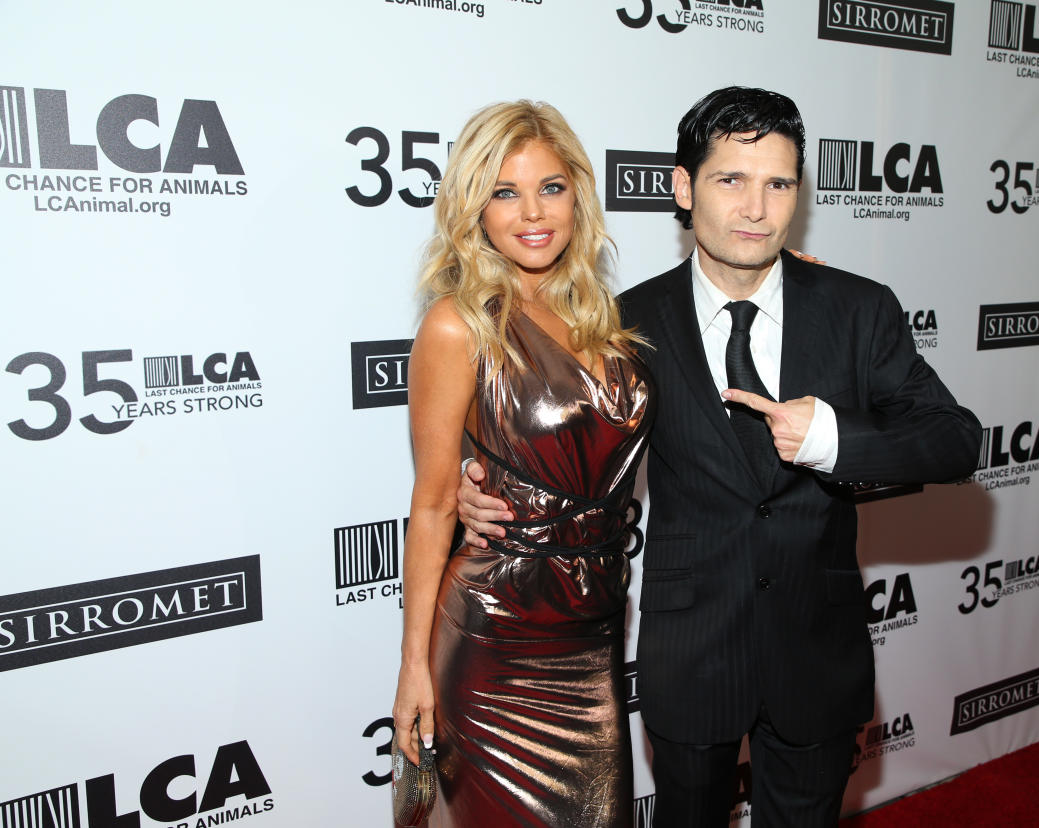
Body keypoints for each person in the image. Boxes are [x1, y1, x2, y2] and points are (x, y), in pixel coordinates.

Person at [457, 87, 981, 827]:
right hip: (691, 650)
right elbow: (551, 438)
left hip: (816, 652)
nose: (756, 209)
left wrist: (831, 437)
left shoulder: (857, 308)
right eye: (730, 180)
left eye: (778, 184)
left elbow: (957, 438)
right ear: (683, 186)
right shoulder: (622, 323)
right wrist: (470, 491)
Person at [392, 100, 654, 828]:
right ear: (475, 209)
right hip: (496, 638)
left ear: (579, 192)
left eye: (551, 186)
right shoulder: (459, 324)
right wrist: (414, 665)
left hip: (594, 631)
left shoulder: (606, 317)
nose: (531, 212)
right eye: (504, 192)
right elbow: (437, 504)